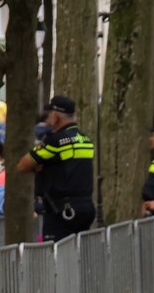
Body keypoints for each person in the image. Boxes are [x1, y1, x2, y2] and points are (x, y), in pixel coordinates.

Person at [17, 94, 96, 241]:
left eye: (49, 114)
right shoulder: (85, 139)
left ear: (56, 116)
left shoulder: (55, 141)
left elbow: (23, 165)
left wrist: (40, 165)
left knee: (56, 257)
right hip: (85, 207)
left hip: (62, 211)